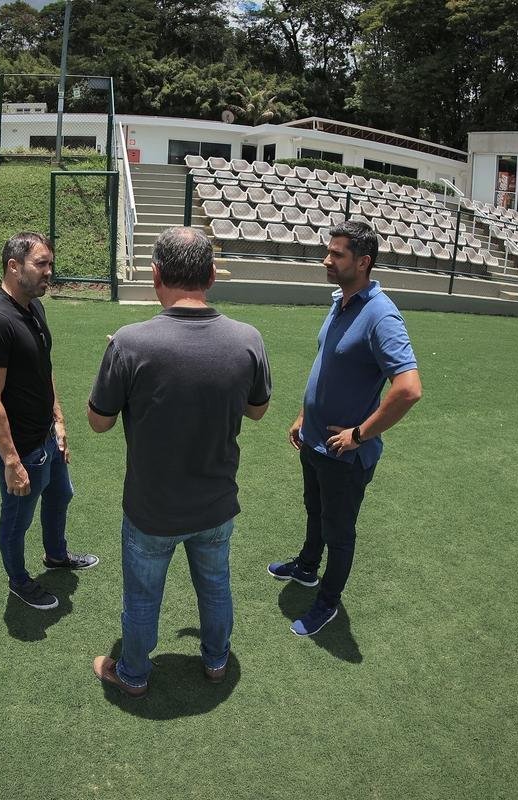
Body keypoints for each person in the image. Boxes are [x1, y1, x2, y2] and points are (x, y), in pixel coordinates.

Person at [87, 226, 271, 698]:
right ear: (211, 275)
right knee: (215, 586)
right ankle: (214, 661)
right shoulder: (247, 339)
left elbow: (99, 422)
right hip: (215, 505)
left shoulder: (129, 342)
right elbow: (257, 410)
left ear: (155, 276)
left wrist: (122, 365)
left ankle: (133, 673)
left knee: (143, 596)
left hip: (153, 509)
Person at [268, 220, 422, 636]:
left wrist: (359, 434)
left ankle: (327, 602)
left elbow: (408, 389)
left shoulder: (381, 315)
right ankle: (305, 567)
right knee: (315, 511)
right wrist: (304, 414)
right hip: (314, 441)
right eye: (329, 251)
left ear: (363, 262)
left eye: (337, 255)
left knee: (340, 531)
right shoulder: (342, 300)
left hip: (343, 452)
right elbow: (326, 365)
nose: (327, 260)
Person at [0, 232, 99, 611]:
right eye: (41, 264)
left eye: (50, 265)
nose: (49, 273)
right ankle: (18, 580)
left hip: (46, 436)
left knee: (61, 494)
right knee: (16, 518)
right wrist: (12, 461)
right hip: (21, 449)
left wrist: (58, 421)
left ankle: (56, 555)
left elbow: (45, 369)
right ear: (14, 267)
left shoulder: (34, 307)